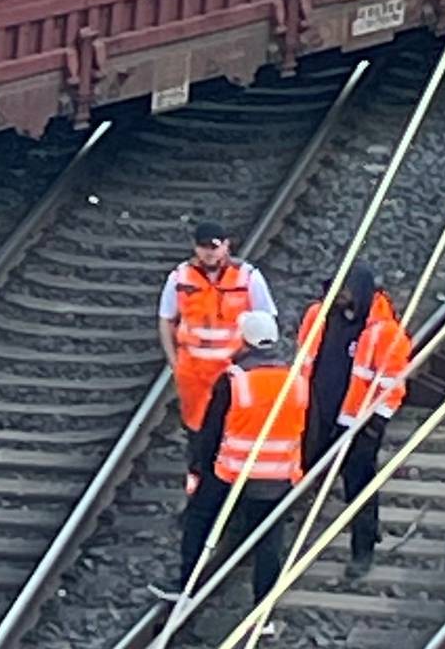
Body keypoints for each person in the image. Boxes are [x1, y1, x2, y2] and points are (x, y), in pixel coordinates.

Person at [150, 309, 307, 629]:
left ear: (245, 341)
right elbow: (307, 427)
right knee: (269, 541)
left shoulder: (235, 380)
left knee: (199, 518)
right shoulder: (296, 380)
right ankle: (263, 612)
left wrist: (200, 468)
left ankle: (187, 586)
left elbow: (211, 432)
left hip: (232, 473)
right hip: (278, 474)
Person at [296, 263, 411, 580]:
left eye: (345, 290)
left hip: (359, 425)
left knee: (359, 487)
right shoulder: (319, 317)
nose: (340, 296)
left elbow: (393, 386)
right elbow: (305, 360)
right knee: (301, 474)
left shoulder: (384, 332)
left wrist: (375, 424)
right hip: (316, 415)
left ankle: (363, 548)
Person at [158, 220, 278, 447]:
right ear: (195, 247)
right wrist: (175, 363)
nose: (209, 252)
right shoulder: (180, 277)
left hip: (233, 370)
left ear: (226, 245)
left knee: (230, 430)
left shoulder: (247, 276)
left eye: (213, 246)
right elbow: (166, 319)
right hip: (193, 374)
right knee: (197, 433)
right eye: (203, 246)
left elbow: (265, 320)